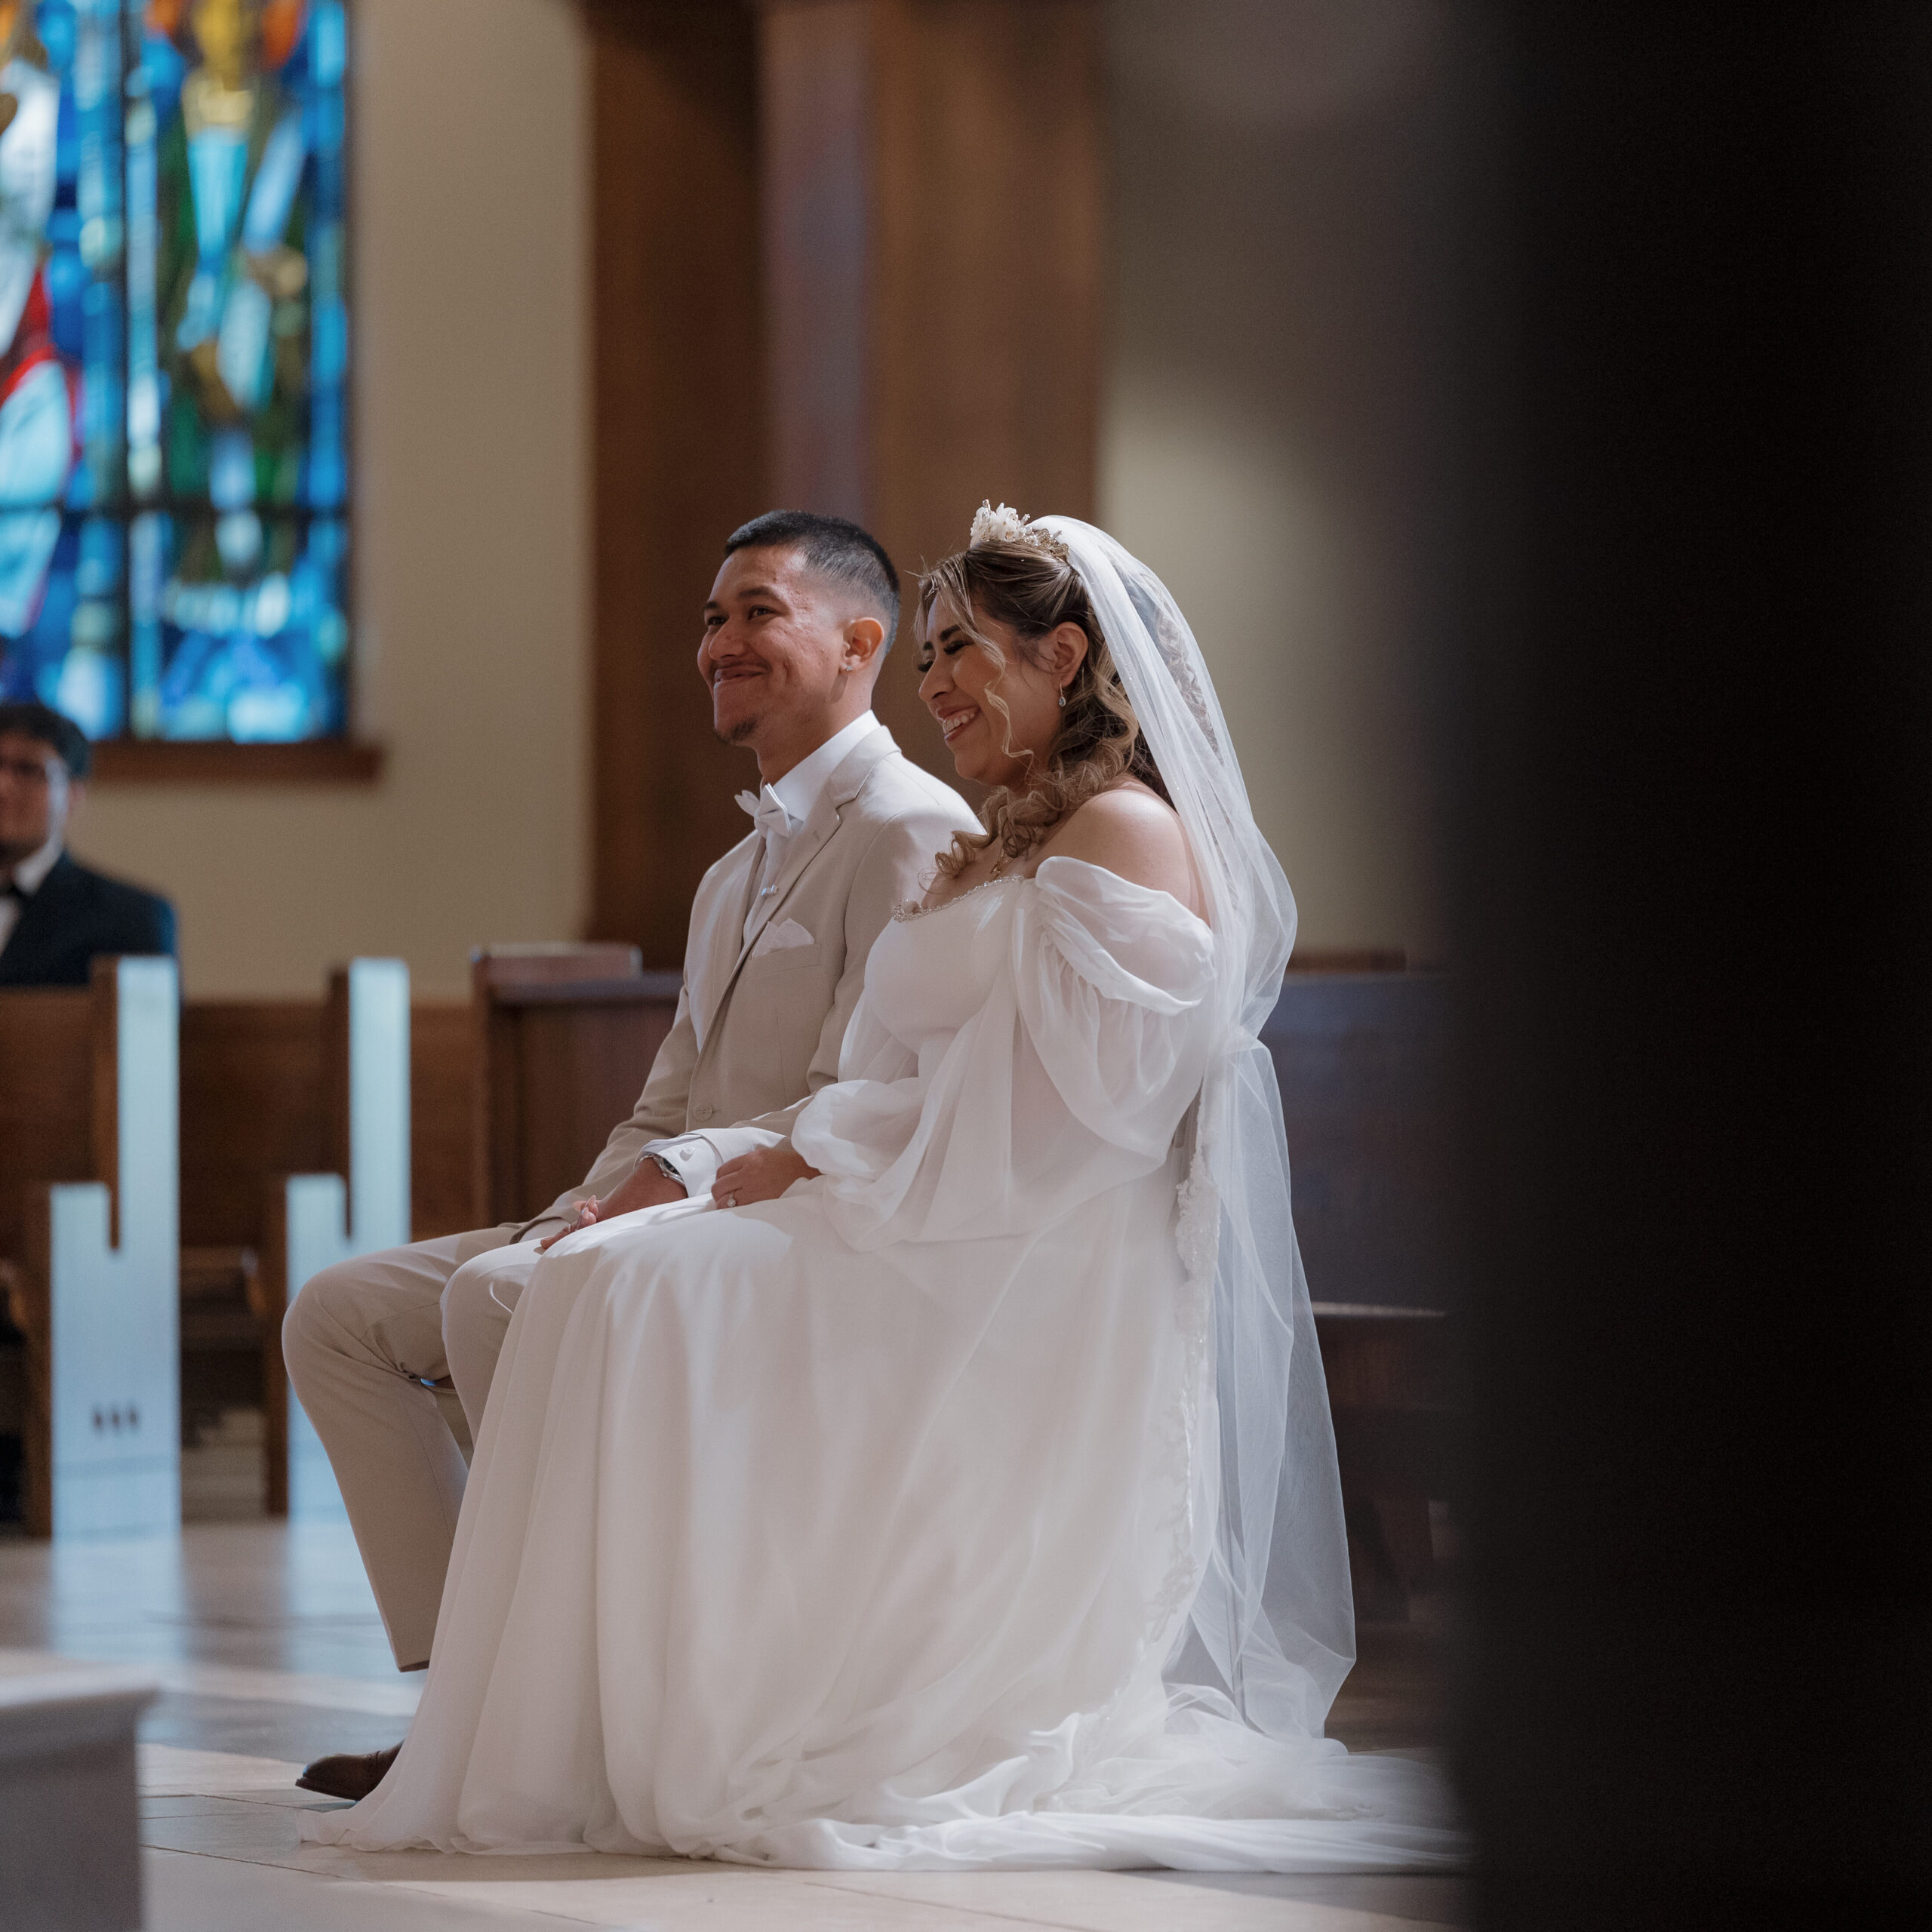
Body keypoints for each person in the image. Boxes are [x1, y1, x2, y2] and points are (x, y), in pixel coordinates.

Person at [303, 508, 1460, 1871]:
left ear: (1067, 656)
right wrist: (751, 1164)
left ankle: (626, 1708)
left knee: (612, 1294)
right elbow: (893, 1074)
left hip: (1007, 1253)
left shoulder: (1125, 837)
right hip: (915, 1202)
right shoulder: (1017, 835)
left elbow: (1072, 1128)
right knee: (595, 1279)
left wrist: (795, 1159)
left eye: (962, 651)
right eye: (929, 657)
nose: (936, 686)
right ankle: (552, 1708)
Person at [285, 509, 977, 1800]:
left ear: (861, 640)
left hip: (799, 1218)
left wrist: (647, 1194)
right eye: (712, 619)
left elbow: (861, 1096)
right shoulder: (732, 871)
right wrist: (582, 1205)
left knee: (500, 1299)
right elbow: (662, 1102)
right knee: (338, 1316)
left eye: (758, 611)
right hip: (665, 1199)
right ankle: (464, 1706)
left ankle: (574, 1708)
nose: (720, 642)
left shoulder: (907, 829)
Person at [0, 701, 176, 986]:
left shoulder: (128, 917)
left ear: (73, 794)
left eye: (27, 770)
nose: (3, 787)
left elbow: (149, 1028)